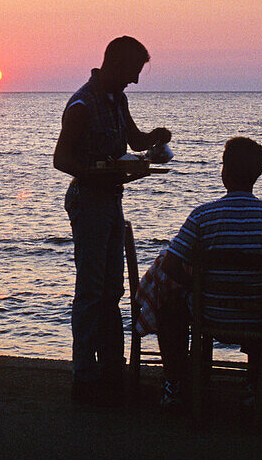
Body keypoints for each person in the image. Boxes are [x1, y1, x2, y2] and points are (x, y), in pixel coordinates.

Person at [53, 36, 171, 406]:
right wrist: (95, 174)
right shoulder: (81, 105)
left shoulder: (117, 99)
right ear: (116, 65)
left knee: (111, 291)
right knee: (91, 293)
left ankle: (110, 372)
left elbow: (134, 141)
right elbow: (61, 159)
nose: (135, 80)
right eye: (133, 72)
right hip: (89, 202)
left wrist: (155, 139)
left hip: (110, 201)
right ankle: (85, 377)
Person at [155, 137, 262, 410]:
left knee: (169, 305)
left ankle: (175, 383)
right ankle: (255, 386)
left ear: (224, 171)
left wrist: (199, 286)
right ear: (258, 173)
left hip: (209, 312)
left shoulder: (203, 216)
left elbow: (169, 266)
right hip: (259, 314)